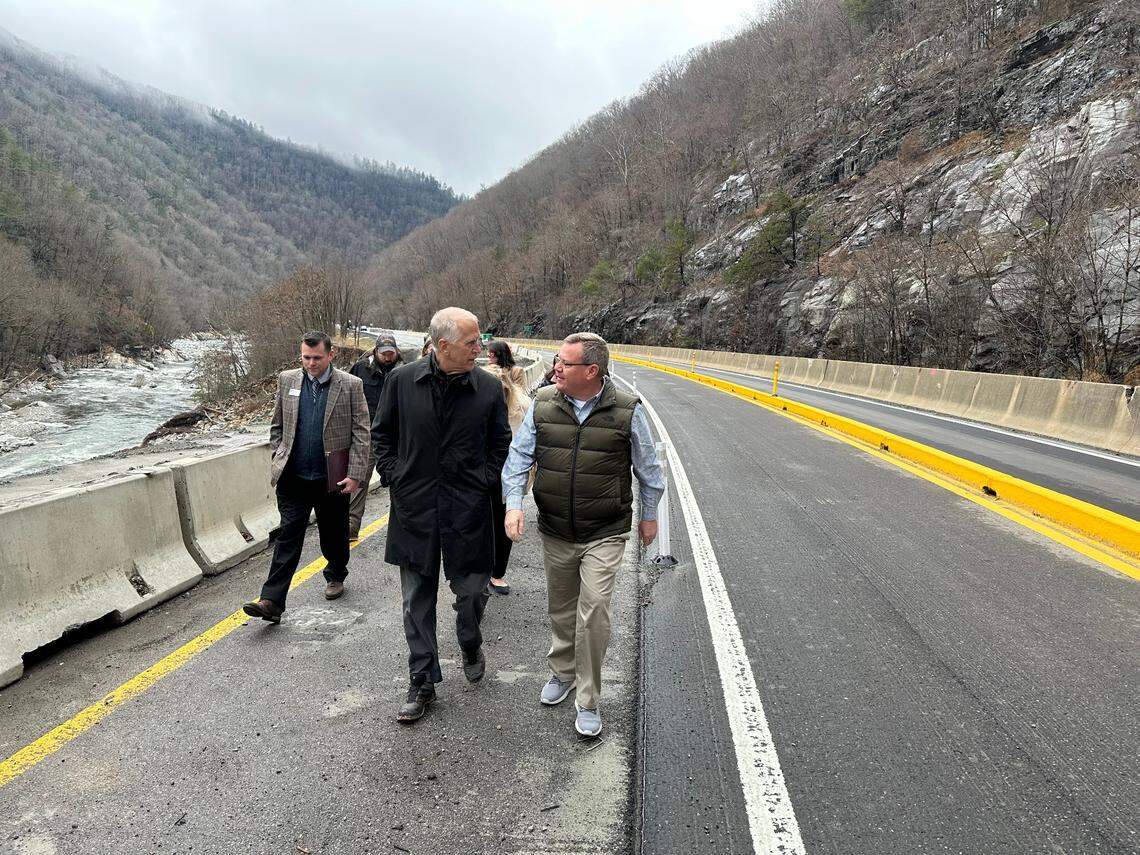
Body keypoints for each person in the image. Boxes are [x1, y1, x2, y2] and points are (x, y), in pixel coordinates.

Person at [502, 332, 665, 737]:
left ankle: (588, 697)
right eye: (556, 360)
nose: (555, 367)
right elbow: (519, 458)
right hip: (556, 528)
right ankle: (562, 672)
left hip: (604, 531)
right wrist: (514, 504)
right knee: (561, 609)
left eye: (564, 362)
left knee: (593, 612)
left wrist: (649, 516)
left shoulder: (628, 412)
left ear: (591, 370)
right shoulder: (542, 405)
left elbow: (649, 470)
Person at [373, 307, 512, 723]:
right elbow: (382, 434)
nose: (480, 349)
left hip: (467, 510)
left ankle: (470, 639)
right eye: (472, 343)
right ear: (443, 345)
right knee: (417, 599)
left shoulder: (487, 388)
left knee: (471, 593)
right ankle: (422, 680)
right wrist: (395, 476)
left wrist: (483, 480)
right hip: (415, 510)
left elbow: (500, 442)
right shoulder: (401, 381)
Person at [243, 331, 370, 623]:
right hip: (293, 477)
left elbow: (362, 434)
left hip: (332, 478)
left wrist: (356, 475)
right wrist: (279, 454)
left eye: (317, 358)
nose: (311, 363)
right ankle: (271, 601)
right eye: (306, 357)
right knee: (289, 534)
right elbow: (277, 425)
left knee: (334, 534)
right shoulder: (287, 380)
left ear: (330, 355)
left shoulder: (351, 385)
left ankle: (336, 573)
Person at [482, 340, 529, 596]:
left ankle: (497, 573)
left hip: (506, 472)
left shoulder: (519, 407)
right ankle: (476, 574)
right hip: (476, 473)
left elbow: (525, 447)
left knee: (503, 522)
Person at [347, 333, 404, 539]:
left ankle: (402, 525)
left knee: (398, 479)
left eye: (391, 353)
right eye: (384, 353)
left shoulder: (404, 371)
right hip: (367, 433)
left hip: (397, 436)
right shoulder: (361, 369)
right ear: (375, 352)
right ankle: (351, 525)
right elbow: (348, 396)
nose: (388, 357)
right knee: (359, 479)